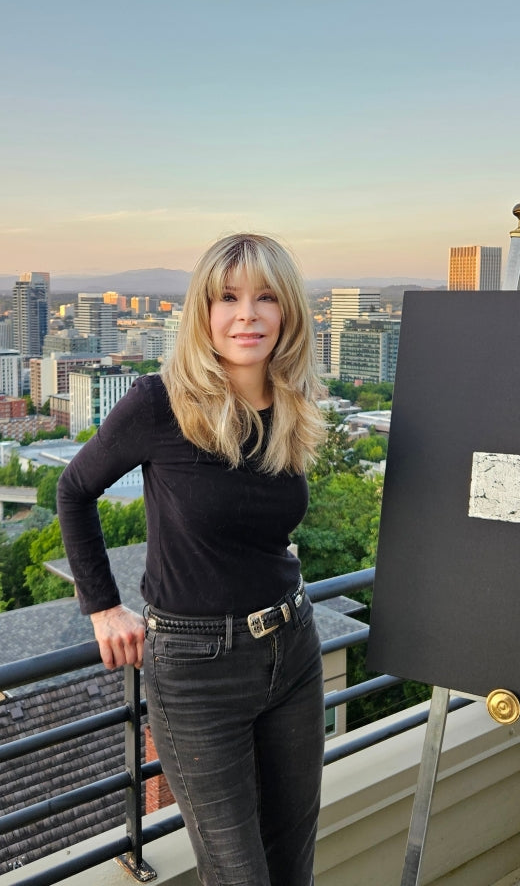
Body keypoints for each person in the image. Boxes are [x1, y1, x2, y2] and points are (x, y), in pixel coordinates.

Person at [57, 232, 328, 886]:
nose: (247, 314)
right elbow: (75, 490)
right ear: (202, 312)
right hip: (196, 669)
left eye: (266, 297)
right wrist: (100, 606)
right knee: (239, 874)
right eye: (227, 298)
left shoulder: (290, 404)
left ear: (287, 310)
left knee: (294, 865)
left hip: (292, 649)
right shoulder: (159, 402)